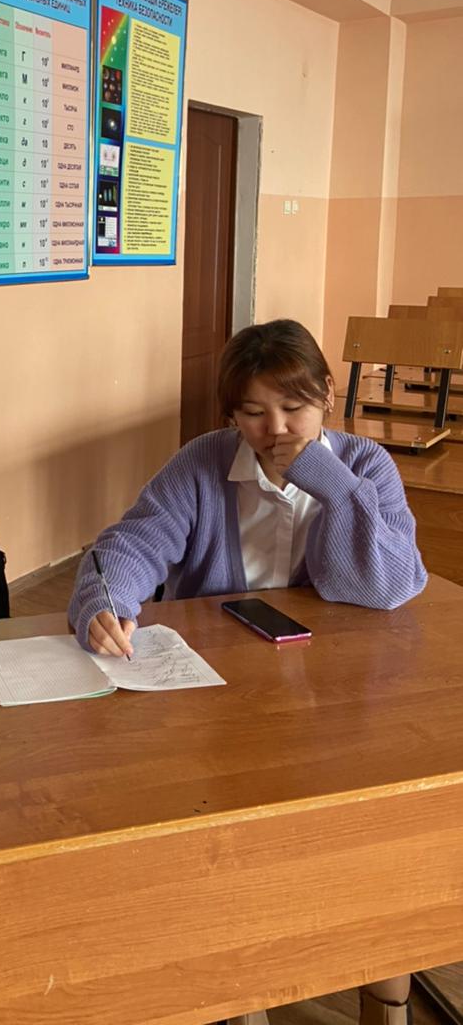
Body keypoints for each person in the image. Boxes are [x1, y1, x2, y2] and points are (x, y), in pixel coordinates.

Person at [69, 318, 425, 1025]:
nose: (276, 430)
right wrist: (104, 603)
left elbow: (386, 586)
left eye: (294, 407)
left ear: (328, 396)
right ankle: (241, 989)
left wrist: (332, 486)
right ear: (231, 415)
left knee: (367, 841)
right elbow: (131, 546)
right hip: (223, 704)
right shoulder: (203, 463)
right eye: (254, 413)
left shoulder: (367, 466)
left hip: (340, 700)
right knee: (227, 851)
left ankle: (383, 987)